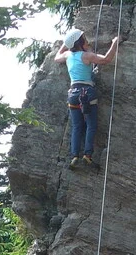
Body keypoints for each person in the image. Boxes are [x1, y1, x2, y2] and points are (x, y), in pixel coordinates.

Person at [54, 28, 120, 170]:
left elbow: (56, 57)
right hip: (87, 92)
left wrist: (67, 43)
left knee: (77, 126)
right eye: (83, 38)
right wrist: (115, 43)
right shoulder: (87, 56)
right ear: (80, 42)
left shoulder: (66, 55)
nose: (86, 40)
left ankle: (74, 157)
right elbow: (106, 59)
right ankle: (87, 155)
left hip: (73, 93)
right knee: (91, 125)